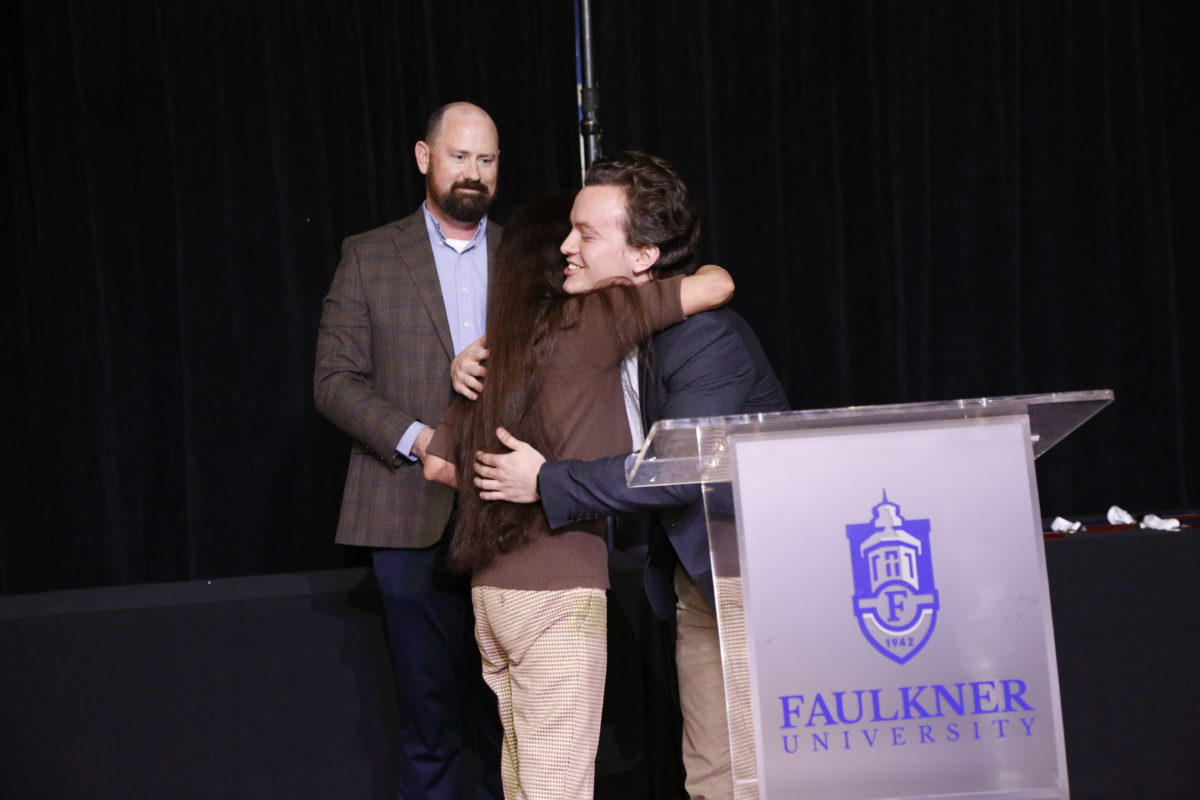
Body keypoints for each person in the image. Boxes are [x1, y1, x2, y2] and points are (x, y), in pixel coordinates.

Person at [469, 151, 789, 800]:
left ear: (643, 256)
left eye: (586, 233)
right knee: (712, 777)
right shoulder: (609, 328)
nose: (567, 246)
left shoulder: (706, 339)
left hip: (753, 583)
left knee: (755, 779)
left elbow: (680, 468)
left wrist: (547, 481)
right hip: (696, 579)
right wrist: (470, 360)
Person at [421, 190, 735, 800]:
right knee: (558, 786)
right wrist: (536, 489)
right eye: (568, 241)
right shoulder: (593, 322)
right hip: (558, 589)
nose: (574, 249)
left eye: (583, 237)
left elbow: (436, 464)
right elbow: (713, 288)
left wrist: (497, 486)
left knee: (521, 777)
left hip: (491, 591)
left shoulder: (492, 353)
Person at [313, 101, 502, 800]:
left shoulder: (526, 260)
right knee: (429, 719)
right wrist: (420, 438)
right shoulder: (369, 255)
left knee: (508, 715)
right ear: (425, 157)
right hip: (406, 510)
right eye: (460, 156)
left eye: (487, 159)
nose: (474, 172)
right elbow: (333, 383)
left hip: (506, 514)